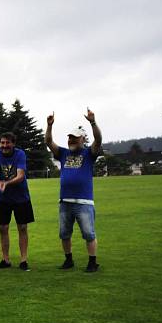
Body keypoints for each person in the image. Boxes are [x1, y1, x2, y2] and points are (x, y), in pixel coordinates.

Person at [45, 109, 102, 272]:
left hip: (84, 202)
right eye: (70, 137)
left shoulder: (89, 153)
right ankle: (68, 260)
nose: (71, 140)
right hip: (65, 202)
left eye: (75, 138)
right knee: (64, 234)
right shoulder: (63, 153)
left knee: (89, 233)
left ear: (82, 139)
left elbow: (98, 139)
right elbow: (49, 142)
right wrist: (49, 126)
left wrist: (92, 122)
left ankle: (92, 262)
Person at [0, 132, 34, 271]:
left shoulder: (20, 154)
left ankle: (23, 260)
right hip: (3, 199)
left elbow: (21, 175)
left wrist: (6, 183)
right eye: (2, 143)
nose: (4, 146)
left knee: (22, 227)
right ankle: (6, 259)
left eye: (7, 143)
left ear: (13, 143)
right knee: (3, 228)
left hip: (21, 197)